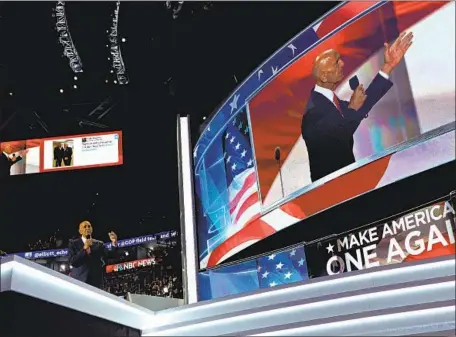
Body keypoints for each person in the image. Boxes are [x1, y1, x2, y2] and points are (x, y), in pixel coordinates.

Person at [301, 32, 414, 183]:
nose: (342, 64)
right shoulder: (313, 112)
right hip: (332, 192)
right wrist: (353, 108)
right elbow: (341, 135)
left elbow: (361, 106)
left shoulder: (331, 100)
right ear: (324, 77)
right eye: (336, 62)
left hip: (350, 183)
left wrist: (388, 66)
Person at [68, 220, 119, 288]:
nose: (87, 228)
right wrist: (84, 249)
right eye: (84, 227)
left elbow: (110, 255)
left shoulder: (99, 244)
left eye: (89, 226)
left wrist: (114, 243)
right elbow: (73, 262)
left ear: (92, 229)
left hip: (96, 283)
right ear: (80, 231)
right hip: (79, 282)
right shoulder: (73, 244)